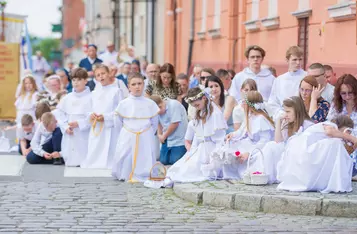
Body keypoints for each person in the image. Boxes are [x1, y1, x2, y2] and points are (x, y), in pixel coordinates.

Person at [207, 91, 275, 180]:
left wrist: (249, 152)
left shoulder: (261, 119)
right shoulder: (250, 116)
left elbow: (264, 141)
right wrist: (232, 135)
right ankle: (227, 168)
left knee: (241, 151)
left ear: (249, 105)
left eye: (244, 102)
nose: (242, 105)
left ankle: (242, 168)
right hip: (250, 143)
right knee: (232, 146)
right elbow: (242, 131)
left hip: (258, 148)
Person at [277, 115, 355, 193]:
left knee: (336, 144)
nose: (348, 135)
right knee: (336, 143)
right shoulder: (330, 125)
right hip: (304, 150)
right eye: (348, 131)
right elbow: (329, 132)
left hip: (303, 151)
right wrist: (351, 138)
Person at [166, 87, 227, 183]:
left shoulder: (215, 114)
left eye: (197, 105)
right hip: (200, 148)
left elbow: (220, 138)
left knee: (193, 171)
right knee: (183, 167)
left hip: (212, 149)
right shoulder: (199, 113)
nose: (196, 107)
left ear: (204, 98)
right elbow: (193, 138)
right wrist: (192, 151)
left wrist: (216, 156)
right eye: (194, 106)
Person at [112, 72, 159, 182]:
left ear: (143, 85)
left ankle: (145, 173)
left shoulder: (150, 104)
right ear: (129, 86)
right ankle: (125, 173)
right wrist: (125, 132)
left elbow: (154, 122)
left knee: (146, 154)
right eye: (133, 84)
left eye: (139, 83)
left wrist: (147, 133)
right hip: (128, 132)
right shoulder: (123, 104)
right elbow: (118, 122)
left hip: (145, 133)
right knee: (124, 154)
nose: (137, 87)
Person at [257, 96, 314, 184]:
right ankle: (266, 175)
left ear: (297, 111)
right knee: (271, 145)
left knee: (273, 147)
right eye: (285, 111)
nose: (285, 114)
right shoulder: (287, 124)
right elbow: (277, 141)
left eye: (288, 111)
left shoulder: (307, 125)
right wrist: (279, 121)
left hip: (298, 154)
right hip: (286, 151)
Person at [81, 64, 123, 169]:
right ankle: (95, 161)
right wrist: (92, 114)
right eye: (98, 75)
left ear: (109, 73)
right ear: (96, 78)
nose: (101, 77)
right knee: (96, 145)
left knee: (110, 145)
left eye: (103, 73)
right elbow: (88, 109)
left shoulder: (116, 91)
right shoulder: (94, 93)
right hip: (97, 125)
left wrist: (106, 117)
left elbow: (120, 110)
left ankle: (110, 162)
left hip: (110, 126)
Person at [56, 68, 92, 167]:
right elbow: (60, 113)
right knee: (71, 159)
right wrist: (65, 127)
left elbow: (93, 117)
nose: (76, 83)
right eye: (74, 80)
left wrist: (80, 123)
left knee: (84, 159)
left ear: (85, 80)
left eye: (79, 80)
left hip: (84, 132)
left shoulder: (92, 97)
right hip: (70, 131)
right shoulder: (67, 98)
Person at [268, 46, 307, 120]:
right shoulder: (279, 80)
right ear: (287, 60)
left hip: (301, 116)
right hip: (284, 117)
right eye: (294, 60)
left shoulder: (307, 76)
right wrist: (282, 114)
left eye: (300, 59)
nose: (298, 63)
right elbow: (273, 102)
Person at [150, 95, 188, 165]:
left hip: (179, 139)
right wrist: (159, 134)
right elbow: (159, 123)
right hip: (167, 138)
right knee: (163, 161)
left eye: (160, 107)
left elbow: (175, 123)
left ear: (162, 102)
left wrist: (164, 136)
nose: (159, 111)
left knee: (175, 161)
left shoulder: (174, 104)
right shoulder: (155, 110)